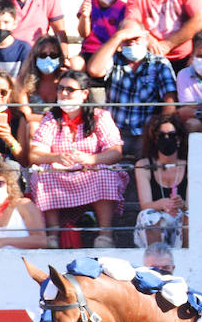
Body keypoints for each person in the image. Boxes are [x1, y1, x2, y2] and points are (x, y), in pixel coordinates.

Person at [28, 69, 127, 249]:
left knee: (104, 173)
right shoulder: (51, 117)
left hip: (90, 170)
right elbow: (34, 154)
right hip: (60, 173)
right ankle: (53, 236)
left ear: (84, 94)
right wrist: (56, 156)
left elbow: (115, 151)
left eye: (70, 90)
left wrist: (91, 159)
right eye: (60, 89)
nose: (64, 94)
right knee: (43, 174)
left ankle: (105, 235)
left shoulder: (99, 116)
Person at [87, 23, 178, 155]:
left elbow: (170, 101)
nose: (132, 43)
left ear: (146, 38)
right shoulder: (114, 59)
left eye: (136, 38)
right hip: (113, 132)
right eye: (127, 40)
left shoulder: (159, 63)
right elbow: (94, 69)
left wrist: (160, 129)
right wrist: (118, 37)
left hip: (145, 133)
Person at [133, 112, 188, 248]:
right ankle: (156, 260)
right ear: (155, 139)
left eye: (172, 135)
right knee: (147, 216)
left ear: (179, 138)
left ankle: (190, 261)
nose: (167, 138)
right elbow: (145, 204)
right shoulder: (143, 165)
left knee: (190, 216)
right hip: (157, 216)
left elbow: (191, 206)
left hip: (179, 217)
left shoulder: (188, 165)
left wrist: (181, 204)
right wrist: (162, 204)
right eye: (161, 136)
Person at [76, 0, 127, 71]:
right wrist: (85, 17)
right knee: (75, 64)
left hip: (110, 53)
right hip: (89, 51)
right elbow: (83, 33)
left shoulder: (122, 7)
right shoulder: (88, 4)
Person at [17, 34, 69, 123]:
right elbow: (26, 116)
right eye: (43, 55)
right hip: (32, 128)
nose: (48, 59)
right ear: (35, 57)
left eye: (53, 55)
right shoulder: (23, 81)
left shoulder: (65, 81)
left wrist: (67, 78)